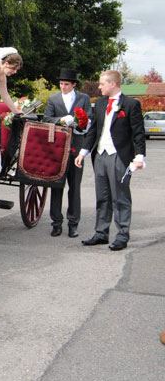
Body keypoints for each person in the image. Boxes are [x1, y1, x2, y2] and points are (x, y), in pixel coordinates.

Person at [75, 70, 146, 251]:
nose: (99, 87)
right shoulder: (99, 104)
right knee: (102, 197)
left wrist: (139, 157)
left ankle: (122, 235)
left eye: (101, 84)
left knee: (120, 198)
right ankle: (101, 233)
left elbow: (138, 133)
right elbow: (93, 131)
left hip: (120, 157)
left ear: (112, 84)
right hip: (100, 155)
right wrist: (83, 153)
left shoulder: (130, 105)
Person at [43, 68, 92, 238]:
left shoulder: (83, 98)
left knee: (75, 186)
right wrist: (61, 120)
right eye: (61, 83)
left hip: (77, 146)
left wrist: (78, 123)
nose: (63, 87)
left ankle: (73, 223)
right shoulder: (53, 99)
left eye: (66, 84)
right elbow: (47, 118)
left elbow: (88, 120)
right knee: (56, 185)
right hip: (57, 146)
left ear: (73, 85)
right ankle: (56, 223)